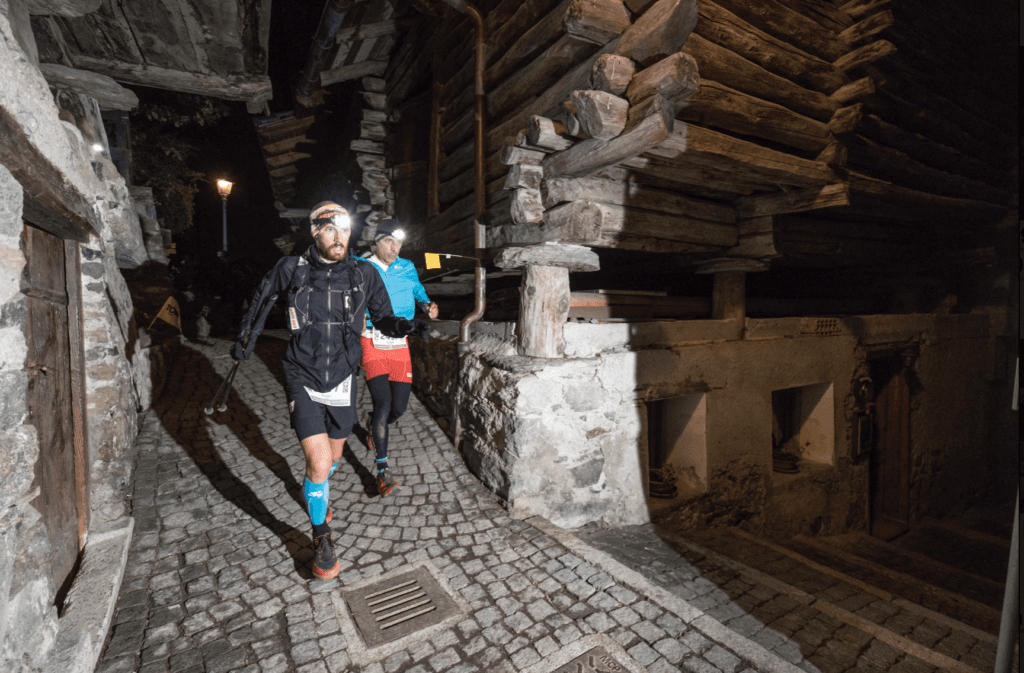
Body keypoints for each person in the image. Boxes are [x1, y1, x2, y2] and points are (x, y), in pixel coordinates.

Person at [230, 202, 429, 581]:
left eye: (345, 229)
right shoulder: (291, 268)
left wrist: (405, 326)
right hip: (301, 374)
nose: (340, 238)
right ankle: (322, 536)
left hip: (342, 378)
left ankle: (317, 490)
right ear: (315, 231)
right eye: (331, 230)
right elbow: (261, 299)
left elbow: (383, 318)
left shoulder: (364, 273)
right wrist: (246, 337)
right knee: (319, 462)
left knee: (333, 457)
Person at [359, 219, 438, 497]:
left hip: (399, 341)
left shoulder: (407, 267)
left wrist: (425, 303)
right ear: (376, 241)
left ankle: (373, 424)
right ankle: (383, 471)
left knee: (399, 408)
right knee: (383, 403)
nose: (395, 248)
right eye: (389, 242)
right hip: (371, 340)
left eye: (399, 243)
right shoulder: (362, 266)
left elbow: (417, 289)